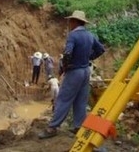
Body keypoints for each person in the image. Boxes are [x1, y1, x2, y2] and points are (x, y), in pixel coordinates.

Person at [38, 10, 105, 139]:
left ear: (74, 21)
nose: (69, 23)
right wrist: (89, 58)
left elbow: (68, 53)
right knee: (81, 100)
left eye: (70, 21)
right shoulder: (90, 35)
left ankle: (52, 127)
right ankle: (78, 126)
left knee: (63, 99)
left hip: (75, 71)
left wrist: (65, 67)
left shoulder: (72, 36)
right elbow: (101, 49)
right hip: (86, 71)